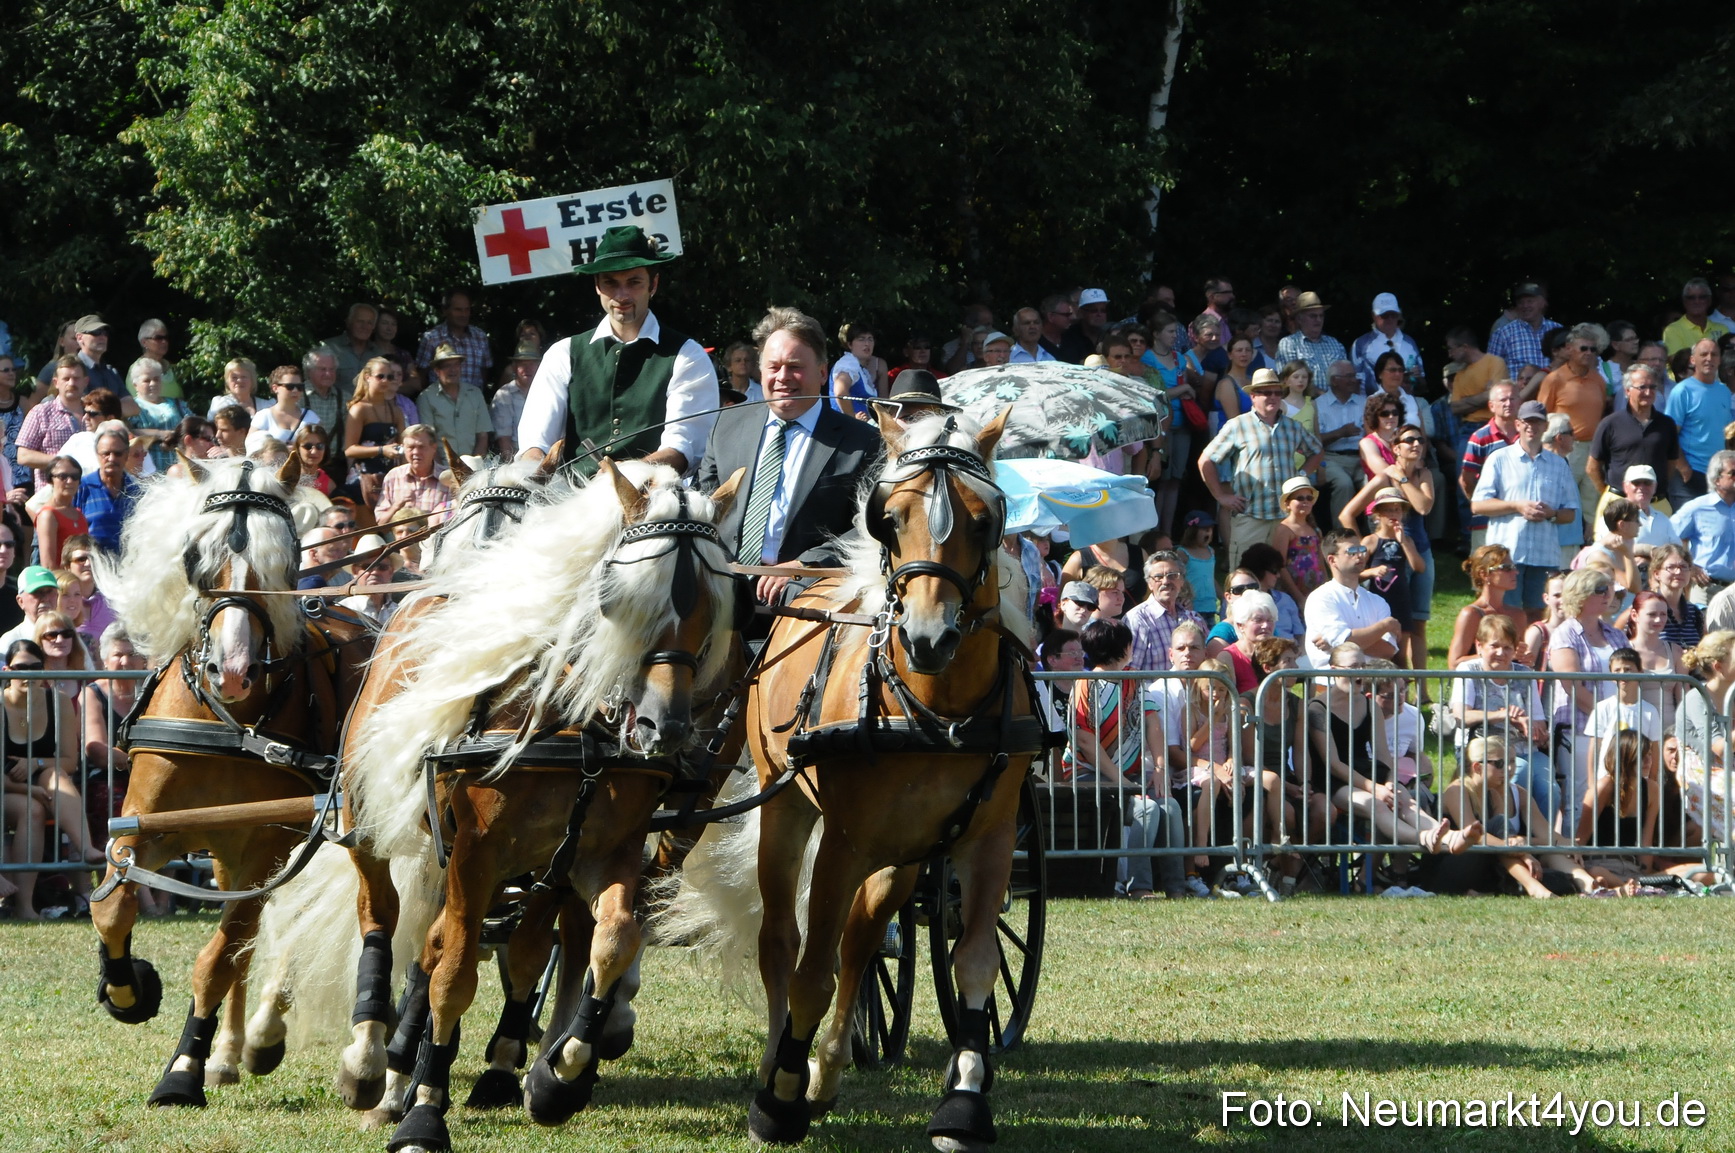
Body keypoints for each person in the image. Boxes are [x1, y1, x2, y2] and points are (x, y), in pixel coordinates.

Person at [696, 306, 882, 608]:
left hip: (809, 598)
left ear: (822, 373)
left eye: (795, 366)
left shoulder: (863, 442)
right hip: (723, 589)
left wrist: (805, 566)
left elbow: (870, 525)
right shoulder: (725, 427)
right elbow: (704, 508)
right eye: (773, 367)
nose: (783, 377)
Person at [517, 226, 718, 476]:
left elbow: (684, 448)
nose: (622, 295)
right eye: (610, 283)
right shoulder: (563, 354)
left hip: (654, 501)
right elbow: (534, 442)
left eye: (634, 282)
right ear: (597, 286)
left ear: (653, 284)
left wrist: (633, 472)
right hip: (569, 502)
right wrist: (537, 470)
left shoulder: (687, 355)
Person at [1307, 642, 1479, 862]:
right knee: (1378, 805)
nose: (1360, 673)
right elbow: (1333, 764)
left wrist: (1389, 782)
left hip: (1367, 772)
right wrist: (1375, 789)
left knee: (1406, 801)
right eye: (1353, 667)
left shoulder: (1370, 706)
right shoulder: (1317, 708)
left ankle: (1450, 836)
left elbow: (1383, 756)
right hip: (1333, 780)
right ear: (1334, 671)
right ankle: (1426, 837)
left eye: (1362, 666)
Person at [1199, 373, 1323, 571]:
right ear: (1253, 396)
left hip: (1285, 517)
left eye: (1276, 392)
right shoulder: (1237, 426)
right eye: (1266, 392)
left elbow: (1316, 450)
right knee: (1244, 574)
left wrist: (1302, 476)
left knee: (1284, 574)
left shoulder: (1293, 427)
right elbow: (1206, 460)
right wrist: (1221, 496)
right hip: (1250, 515)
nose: (1273, 397)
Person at [1472, 400, 1578, 620]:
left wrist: (1552, 514)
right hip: (1508, 553)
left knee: (1538, 615)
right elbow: (1478, 505)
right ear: (1518, 424)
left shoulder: (1559, 465)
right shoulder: (1499, 459)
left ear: (1546, 426)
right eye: (1527, 421)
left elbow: (1571, 513)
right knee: (1503, 614)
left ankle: (1534, 654)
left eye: (1537, 422)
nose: (1532, 426)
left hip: (1544, 554)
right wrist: (1516, 505)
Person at [1433, 737, 1570, 898]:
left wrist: (1571, 846)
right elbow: (1471, 835)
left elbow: (1505, 836)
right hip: (1445, 869)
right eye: (1500, 764)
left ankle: (1583, 884)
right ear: (1477, 767)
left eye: (1510, 763)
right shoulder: (1457, 790)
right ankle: (1534, 889)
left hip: (1482, 865)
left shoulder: (1493, 793)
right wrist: (1519, 851)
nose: (1508, 769)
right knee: (1498, 830)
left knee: (1560, 879)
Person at [1549, 568, 1629, 838]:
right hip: (1581, 727)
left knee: (1613, 792)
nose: (1609, 595)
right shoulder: (1565, 634)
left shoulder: (1616, 634)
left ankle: (1604, 850)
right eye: (1600, 589)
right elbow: (1571, 684)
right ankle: (1575, 856)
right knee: (1579, 795)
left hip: (1617, 727)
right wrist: (1605, 716)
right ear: (1580, 594)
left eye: (1609, 589)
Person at [1586, 364, 1684, 525]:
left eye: (1652, 387)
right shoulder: (1610, 423)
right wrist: (1609, 493)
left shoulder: (1666, 424)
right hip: (1618, 503)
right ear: (1627, 391)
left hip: (1657, 505)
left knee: (1662, 550)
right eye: (1642, 387)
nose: (1648, 392)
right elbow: (1592, 467)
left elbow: (1671, 463)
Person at [1303, 530, 1401, 669]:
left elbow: (1387, 650)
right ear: (1332, 560)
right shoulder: (1321, 598)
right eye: (1351, 551)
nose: (1360, 555)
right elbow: (1344, 642)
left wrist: (1340, 643)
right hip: (1330, 685)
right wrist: (1384, 626)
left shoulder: (1377, 601)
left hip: (1370, 686)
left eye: (1361, 549)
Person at [1350, 489, 1423, 663]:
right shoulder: (1371, 541)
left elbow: (1419, 566)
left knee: (1401, 654)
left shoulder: (1406, 540)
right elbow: (1353, 573)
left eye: (1397, 509)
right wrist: (1371, 572)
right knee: (1382, 651)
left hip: (1401, 599)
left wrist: (1403, 540)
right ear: (1378, 514)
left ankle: (1402, 688)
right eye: (1388, 510)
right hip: (1378, 600)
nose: (1393, 514)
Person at [1661, 338, 1730, 505]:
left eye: (1714, 354)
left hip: (1719, 475)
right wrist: (1684, 468)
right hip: (1690, 475)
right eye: (1703, 354)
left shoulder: (1724, 391)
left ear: (1720, 359)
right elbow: (1670, 434)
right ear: (1693, 360)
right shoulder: (1682, 391)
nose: (1709, 359)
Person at [1122, 551, 1203, 673]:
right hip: (1150, 692)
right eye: (1158, 577)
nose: (1165, 581)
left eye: (1172, 575)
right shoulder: (1138, 619)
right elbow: (1129, 672)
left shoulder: (1191, 618)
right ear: (1149, 583)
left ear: (1181, 581)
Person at [15, 356, 87, 488]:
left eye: (76, 378)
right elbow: (23, 455)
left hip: (89, 494)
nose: (71, 383)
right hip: (51, 494)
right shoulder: (41, 412)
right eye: (66, 379)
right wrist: (65, 462)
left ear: (86, 381)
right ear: (56, 382)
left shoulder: (95, 412)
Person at [344, 357, 407, 507]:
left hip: (390, 478)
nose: (385, 380)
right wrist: (381, 450)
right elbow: (349, 450)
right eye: (380, 376)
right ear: (368, 377)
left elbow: (404, 447)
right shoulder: (359, 409)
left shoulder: (395, 411)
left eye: (390, 377)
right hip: (364, 480)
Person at [1312, 361, 1368, 528]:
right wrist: (1340, 433)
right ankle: (1343, 535)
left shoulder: (1364, 402)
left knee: (1373, 481)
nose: (1354, 380)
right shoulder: (1318, 405)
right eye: (1349, 376)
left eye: (1354, 375)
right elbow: (1314, 440)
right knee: (1344, 484)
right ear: (1335, 381)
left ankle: (1376, 535)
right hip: (1331, 458)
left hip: (1361, 457)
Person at [1670, 449, 1735, 589]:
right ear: (1716, 479)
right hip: (1706, 587)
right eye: (1733, 474)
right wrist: (1688, 565)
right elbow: (1670, 536)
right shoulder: (1698, 508)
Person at [1447, 545, 1518, 668]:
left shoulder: (1518, 615)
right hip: (1477, 684)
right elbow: (1454, 664)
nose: (1515, 572)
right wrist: (1493, 654)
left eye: (1513, 567)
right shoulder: (1471, 614)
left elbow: (1517, 660)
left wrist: (1526, 656)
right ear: (1484, 574)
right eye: (1506, 568)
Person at [417, 341, 492, 460]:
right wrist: (439, 470)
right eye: (447, 366)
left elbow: (483, 436)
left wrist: (474, 466)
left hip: (473, 467)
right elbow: (428, 439)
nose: (452, 370)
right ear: (437, 371)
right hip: (442, 467)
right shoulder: (426, 397)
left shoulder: (475, 394)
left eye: (456, 365)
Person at [75, 429, 140, 554]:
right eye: (106, 453)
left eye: (118, 453)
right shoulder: (81, 488)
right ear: (97, 455)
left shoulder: (137, 491)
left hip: (131, 566)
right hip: (92, 566)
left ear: (126, 455)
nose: (111, 458)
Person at [1487, 283, 1560, 394]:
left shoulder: (1557, 330)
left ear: (1542, 303)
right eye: (1521, 302)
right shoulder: (1503, 333)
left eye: (1530, 301)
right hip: (1518, 399)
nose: (1525, 306)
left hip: (1553, 394)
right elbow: (1490, 371)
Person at [372, 424, 450, 527]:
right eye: (411, 447)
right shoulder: (393, 476)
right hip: (401, 540)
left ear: (433, 448)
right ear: (403, 448)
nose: (416, 452)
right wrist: (397, 506)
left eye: (421, 447)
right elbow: (381, 523)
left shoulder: (448, 478)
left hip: (436, 539)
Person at [415, 290, 492, 391]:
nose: (463, 314)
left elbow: (484, 371)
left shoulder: (480, 336)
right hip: (440, 402)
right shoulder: (431, 338)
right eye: (458, 310)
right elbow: (421, 376)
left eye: (467, 310)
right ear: (445, 310)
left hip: (473, 402)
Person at [1268, 476, 1327, 602]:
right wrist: (1298, 596)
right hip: (1293, 591)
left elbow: (1321, 561)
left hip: (1316, 590)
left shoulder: (1315, 529)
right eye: (1299, 498)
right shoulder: (1284, 529)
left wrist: (1326, 585)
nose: (1305, 501)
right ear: (1287, 504)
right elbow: (1280, 566)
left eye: (1309, 498)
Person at [1351, 293, 1423, 394]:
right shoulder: (1361, 344)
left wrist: (1416, 377)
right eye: (1384, 315)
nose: (1389, 319)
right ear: (1374, 316)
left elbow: (1422, 382)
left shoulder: (1410, 343)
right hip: (1373, 406)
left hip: (1406, 405)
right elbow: (1354, 383)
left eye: (1393, 315)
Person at [1274, 292, 1349, 389]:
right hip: (1305, 402)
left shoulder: (1334, 343)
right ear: (1300, 319)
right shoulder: (1289, 344)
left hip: (1336, 401)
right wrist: (1323, 397)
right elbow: (1290, 381)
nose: (1318, 320)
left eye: (1321, 316)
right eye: (1313, 316)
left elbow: (1347, 376)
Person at [125, 358, 188, 472]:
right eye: (147, 380)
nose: (153, 383)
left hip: (180, 469)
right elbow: (128, 433)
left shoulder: (177, 404)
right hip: (147, 472)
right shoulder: (131, 408)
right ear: (135, 384)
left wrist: (175, 438)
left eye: (156, 379)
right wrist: (159, 434)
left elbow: (194, 426)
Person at [1237, 543, 1304, 642]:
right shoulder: (1238, 601)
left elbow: (1301, 635)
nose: (1278, 575)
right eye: (1274, 570)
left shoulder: (1286, 599)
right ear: (1259, 569)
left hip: (1292, 653)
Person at [32, 457, 87, 568]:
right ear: (50, 480)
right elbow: (48, 565)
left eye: (75, 476)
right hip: (61, 582)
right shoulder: (48, 515)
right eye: (63, 476)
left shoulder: (79, 514)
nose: (70, 481)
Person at [491, 339, 540, 458]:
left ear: (539, 366)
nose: (527, 369)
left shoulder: (547, 391)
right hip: (517, 457)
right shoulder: (504, 395)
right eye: (522, 364)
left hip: (544, 454)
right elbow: (504, 441)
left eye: (532, 364)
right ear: (514, 367)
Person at [250, 365, 319, 445]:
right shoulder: (263, 416)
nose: (295, 390)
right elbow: (251, 447)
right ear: (275, 388)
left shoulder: (311, 417)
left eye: (299, 387)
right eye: (290, 387)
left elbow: (322, 446)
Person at [1662, 278, 1731, 357]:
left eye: (1702, 297)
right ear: (1684, 301)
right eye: (1691, 297)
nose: (1696, 301)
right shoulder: (1672, 330)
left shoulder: (1722, 329)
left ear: (1709, 300)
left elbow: (1728, 360)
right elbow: (1678, 364)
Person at [1176, 513, 1218, 621]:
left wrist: (1223, 597)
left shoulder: (1211, 552)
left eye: (1210, 529)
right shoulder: (1183, 553)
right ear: (1192, 532)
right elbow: (1178, 578)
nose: (1208, 532)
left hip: (1210, 605)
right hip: (1193, 605)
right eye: (1204, 529)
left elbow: (1211, 578)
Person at [127, 319, 181, 399]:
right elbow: (136, 402)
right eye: (158, 338)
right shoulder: (137, 369)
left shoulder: (170, 367)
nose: (164, 342)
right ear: (144, 342)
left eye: (166, 338)